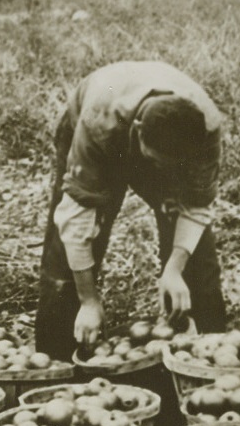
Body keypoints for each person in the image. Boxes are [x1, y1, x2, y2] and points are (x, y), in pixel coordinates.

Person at [35, 60, 228, 361]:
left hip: (157, 135)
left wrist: (175, 268)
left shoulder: (205, 129)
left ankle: (207, 356)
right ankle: (57, 363)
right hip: (98, 123)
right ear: (138, 132)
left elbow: (196, 204)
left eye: (174, 166)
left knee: (197, 262)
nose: (162, 173)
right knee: (65, 263)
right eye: (158, 162)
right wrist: (87, 298)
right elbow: (76, 220)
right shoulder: (98, 124)